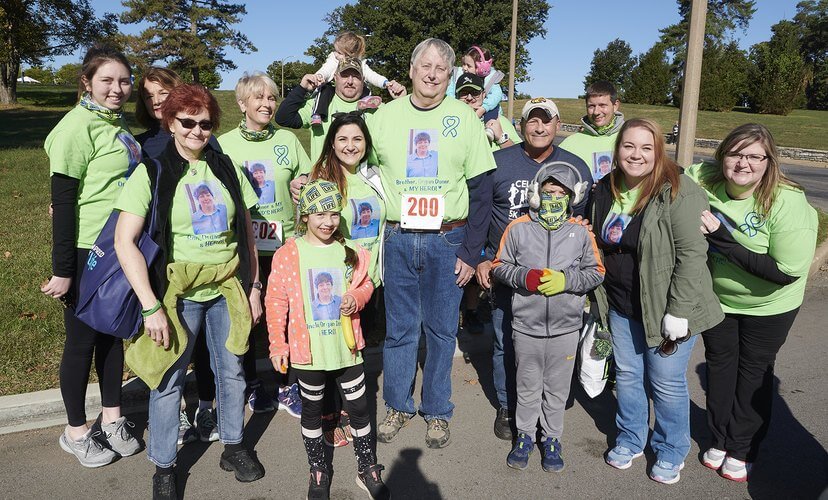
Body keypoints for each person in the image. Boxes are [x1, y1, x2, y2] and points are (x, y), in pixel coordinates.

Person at [114, 84, 265, 500]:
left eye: (206, 123)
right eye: (188, 122)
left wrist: (253, 286)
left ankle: (233, 446)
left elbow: (246, 234)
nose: (198, 130)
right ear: (171, 122)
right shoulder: (152, 170)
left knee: (232, 370)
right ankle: (164, 466)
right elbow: (124, 242)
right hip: (175, 294)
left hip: (227, 288)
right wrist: (150, 308)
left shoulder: (227, 167)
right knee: (168, 380)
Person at [368, 38, 496, 449]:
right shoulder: (383, 118)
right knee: (400, 331)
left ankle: (437, 411)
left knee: (442, 331)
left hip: (449, 239)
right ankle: (398, 405)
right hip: (397, 237)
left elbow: (482, 188)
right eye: (425, 65)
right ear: (410, 69)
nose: (432, 74)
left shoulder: (465, 118)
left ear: (450, 75)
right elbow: (353, 167)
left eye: (442, 69)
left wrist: (470, 251)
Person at [590, 118, 723, 485]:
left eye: (646, 148)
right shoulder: (606, 187)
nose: (636, 155)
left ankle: (670, 448)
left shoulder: (678, 191)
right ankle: (632, 437)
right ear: (617, 149)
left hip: (669, 309)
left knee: (665, 381)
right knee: (630, 377)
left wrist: (678, 312)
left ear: (658, 151)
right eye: (629, 146)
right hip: (621, 303)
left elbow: (692, 256)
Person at [685, 124, 818, 482]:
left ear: (768, 161)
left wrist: (723, 240)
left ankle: (744, 446)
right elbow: (676, 180)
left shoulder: (787, 203)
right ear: (721, 156)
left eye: (754, 156)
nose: (743, 163)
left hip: (769, 306)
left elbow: (784, 273)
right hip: (718, 300)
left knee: (753, 374)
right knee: (720, 369)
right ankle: (720, 436)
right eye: (735, 154)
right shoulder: (705, 177)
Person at [42, 43, 142, 469]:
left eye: (123, 81)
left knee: (113, 334)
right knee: (82, 342)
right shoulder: (75, 128)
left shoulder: (116, 124)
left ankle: (113, 417)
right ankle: (76, 431)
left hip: (121, 244)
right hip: (88, 250)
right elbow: (62, 204)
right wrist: (64, 271)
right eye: (107, 80)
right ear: (87, 82)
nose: (117, 89)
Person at [475, 97, 592, 441]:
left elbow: (581, 221)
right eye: (532, 121)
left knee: (553, 345)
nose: (539, 128)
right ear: (521, 126)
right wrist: (483, 255)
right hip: (507, 272)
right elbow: (480, 213)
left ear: (558, 126)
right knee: (504, 343)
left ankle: (546, 405)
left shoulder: (575, 167)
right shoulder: (498, 163)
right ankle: (508, 406)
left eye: (546, 121)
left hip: (555, 281)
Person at [265, 179, 389, 500]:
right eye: (319, 214)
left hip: (346, 350)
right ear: (304, 215)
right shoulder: (288, 254)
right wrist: (278, 344)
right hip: (308, 354)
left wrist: (355, 298)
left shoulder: (352, 252)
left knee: (360, 408)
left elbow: (366, 285)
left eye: (333, 213)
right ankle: (318, 469)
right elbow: (276, 301)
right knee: (312, 410)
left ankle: (367, 466)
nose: (328, 222)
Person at [492, 162, 604, 473]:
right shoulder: (518, 228)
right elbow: (499, 265)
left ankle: (552, 438)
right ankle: (525, 435)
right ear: (537, 194)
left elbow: (596, 272)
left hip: (566, 327)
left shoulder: (580, 232)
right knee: (527, 384)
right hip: (526, 326)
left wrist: (566, 281)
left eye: (561, 192)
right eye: (549, 191)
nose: (554, 196)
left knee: (557, 388)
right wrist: (524, 277)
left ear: (572, 196)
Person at [134, 65, 223, 445]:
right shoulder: (140, 145)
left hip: (204, 259)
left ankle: (205, 404)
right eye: (148, 94)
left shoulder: (205, 141)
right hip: (160, 256)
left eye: (162, 92)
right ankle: (172, 419)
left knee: (202, 345)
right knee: (171, 344)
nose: (156, 99)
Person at [218, 71, 311, 416]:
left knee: (285, 318)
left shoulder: (287, 139)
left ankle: (287, 385)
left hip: (284, 246)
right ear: (242, 104)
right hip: (243, 247)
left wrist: (302, 182)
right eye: (258, 98)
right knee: (248, 318)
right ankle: (252, 383)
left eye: (271, 98)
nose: (266, 104)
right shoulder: (224, 144)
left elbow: (307, 174)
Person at [307, 112, 387, 448]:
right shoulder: (322, 179)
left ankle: (353, 410)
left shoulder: (375, 176)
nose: (350, 145)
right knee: (333, 351)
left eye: (357, 139)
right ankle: (330, 413)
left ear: (366, 143)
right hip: (338, 285)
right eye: (342, 139)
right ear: (332, 143)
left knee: (359, 350)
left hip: (372, 280)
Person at [276, 57, 380, 163]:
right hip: (325, 177)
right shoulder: (319, 104)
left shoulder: (375, 107)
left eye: (356, 76)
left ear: (363, 80)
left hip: (363, 177)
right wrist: (302, 88)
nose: (350, 81)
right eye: (344, 75)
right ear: (335, 77)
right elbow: (284, 118)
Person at [309, 31, 406, 125]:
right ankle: (317, 113)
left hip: (362, 96)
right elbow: (326, 69)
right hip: (332, 88)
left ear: (349, 54)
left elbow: (372, 75)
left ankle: (365, 103)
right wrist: (319, 76)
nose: (335, 54)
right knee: (324, 91)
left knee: (365, 89)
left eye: (339, 52)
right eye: (335, 51)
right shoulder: (334, 59)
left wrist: (385, 83)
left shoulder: (360, 63)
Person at [134, 66, 221, 159]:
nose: (156, 101)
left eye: (163, 93)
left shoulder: (201, 137)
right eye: (149, 96)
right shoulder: (139, 144)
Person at [559, 80, 624, 176]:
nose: (596, 112)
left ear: (615, 105)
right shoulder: (569, 145)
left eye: (602, 105)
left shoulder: (630, 139)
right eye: (591, 106)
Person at [453, 72, 520, 152]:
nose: (469, 98)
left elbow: (520, 156)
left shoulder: (499, 121)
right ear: (456, 96)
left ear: (483, 95)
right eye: (464, 93)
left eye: (475, 93)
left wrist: (501, 138)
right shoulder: (448, 123)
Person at [446, 45, 504, 121]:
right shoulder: (459, 75)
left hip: (485, 108)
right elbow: (450, 91)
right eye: (464, 64)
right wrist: (456, 104)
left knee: (494, 110)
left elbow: (496, 95)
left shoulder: (490, 79)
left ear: (482, 68)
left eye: (469, 66)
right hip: (461, 107)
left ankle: (490, 129)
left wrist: (484, 108)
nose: (464, 68)